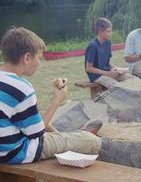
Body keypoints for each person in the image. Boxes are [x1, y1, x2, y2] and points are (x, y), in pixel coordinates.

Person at [0, 27, 101, 164]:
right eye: (39, 58)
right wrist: (57, 101)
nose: (40, 64)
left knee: (59, 134)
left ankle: (70, 135)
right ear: (27, 57)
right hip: (14, 153)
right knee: (91, 141)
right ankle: (81, 136)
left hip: (7, 143)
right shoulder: (21, 88)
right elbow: (36, 133)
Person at [85, 17, 131, 89]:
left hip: (108, 72)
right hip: (97, 76)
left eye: (111, 31)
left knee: (131, 79)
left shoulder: (108, 42)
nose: (111, 33)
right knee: (117, 87)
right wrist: (107, 73)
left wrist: (117, 69)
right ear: (100, 32)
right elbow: (89, 68)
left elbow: (108, 63)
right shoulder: (93, 46)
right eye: (108, 31)